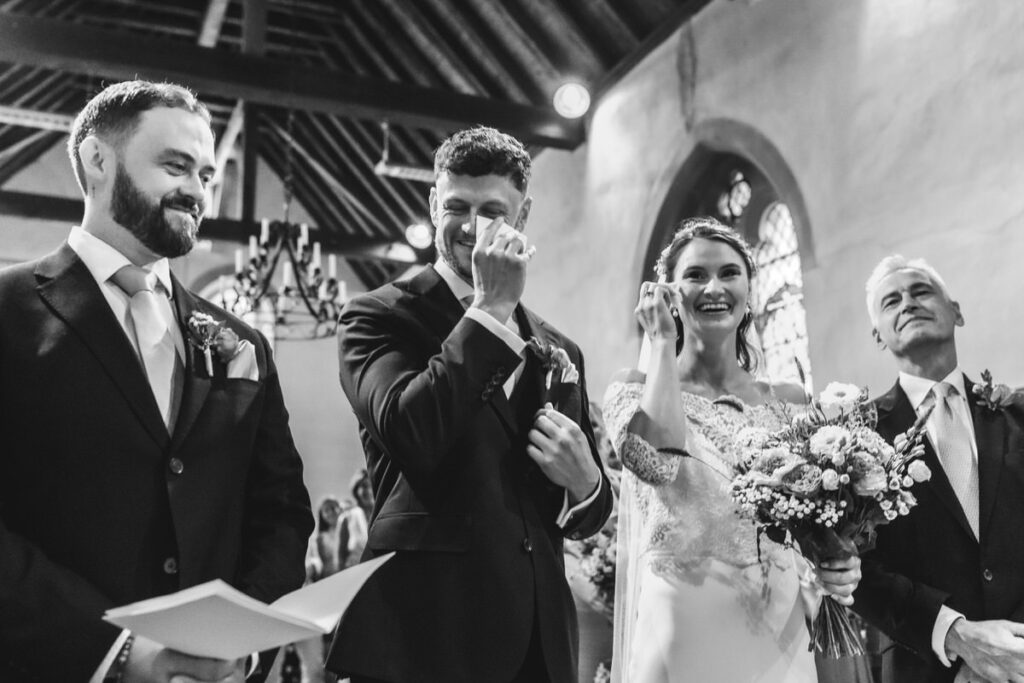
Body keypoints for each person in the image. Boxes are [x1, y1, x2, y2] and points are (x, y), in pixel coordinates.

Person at [0, 80, 313, 682]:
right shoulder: (9, 311)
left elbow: (281, 513)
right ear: (98, 160)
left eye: (206, 175)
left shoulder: (241, 343)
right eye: (175, 166)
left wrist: (242, 647)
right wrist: (114, 652)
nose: (197, 191)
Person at [329, 126, 614, 683]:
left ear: (523, 216)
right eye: (456, 206)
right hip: (423, 636)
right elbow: (412, 431)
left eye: (493, 211)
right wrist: (489, 310)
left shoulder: (561, 348)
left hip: (538, 645)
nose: (471, 226)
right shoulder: (378, 317)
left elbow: (585, 516)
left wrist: (586, 484)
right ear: (432, 204)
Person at [604, 217, 862, 682]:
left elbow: (813, 525)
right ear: (668, 293)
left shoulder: (789, 401)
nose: (713, 288)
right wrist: (661, 341)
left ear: (748, 292)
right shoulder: (634, 388)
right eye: (695, 275)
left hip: (779, 621)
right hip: (685, 619)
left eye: (729, 273)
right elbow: (657, 464)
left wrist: (839, 561)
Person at [852, 255, 1024, 683]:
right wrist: (957, 637)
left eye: (921, 291)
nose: (908, 303)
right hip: (926, 669)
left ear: (956, 312)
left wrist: (1010, 648)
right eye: (891, 301)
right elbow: (855, 567)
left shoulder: (1016, 415)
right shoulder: (856, 438)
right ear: (878, 336)